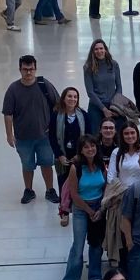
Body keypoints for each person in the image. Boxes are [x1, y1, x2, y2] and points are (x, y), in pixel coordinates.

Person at [3, 55, 61, 205]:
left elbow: (57, 104)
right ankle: (28, 190)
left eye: (31, 69)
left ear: (35, 69)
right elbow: (8, 114)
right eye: (25, 69)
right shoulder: (13, 89)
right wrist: (10, 135)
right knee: (27, 165)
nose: (28, 73)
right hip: (23, 138)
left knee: (47, 163)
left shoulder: (44, 84)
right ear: (20, 70)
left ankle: (50, 190)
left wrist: (56, 128)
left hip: (45, 136)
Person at [60, 135, 107, 280]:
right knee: (78, 245)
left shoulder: (101, 165)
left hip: (98, 207)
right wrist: (89, 210)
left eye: (92, 146)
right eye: (86, 147)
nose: (90, 149)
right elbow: (74, 194)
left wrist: (100, 209)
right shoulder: (76, 167)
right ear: (81, 150)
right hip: (81, 209)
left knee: (96, 243)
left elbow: (105, 187)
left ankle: (94, 274)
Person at [49, 87, 89, 216]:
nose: (72, 99)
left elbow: (88, 137)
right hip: (63, 157)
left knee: (80, 183)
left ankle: (79, 209)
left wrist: (81, 155)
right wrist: (59, 155)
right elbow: (52, 137)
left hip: (79, 157)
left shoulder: (83, 115)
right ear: (64, 98)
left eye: (75, 97)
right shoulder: (56, 115)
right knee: (63, 183)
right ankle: (64, 211)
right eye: (69, 96)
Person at [84, 39, 123, 133]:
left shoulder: (114, 64)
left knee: (118, 133)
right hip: (96, 106)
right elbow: (90, 92)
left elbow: (119, 86)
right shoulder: (88, 67)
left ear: (105, 49)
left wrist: (115, 105)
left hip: (113, 105)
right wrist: (104, 109)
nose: (99, 51)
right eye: (96, 49)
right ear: (93, 52)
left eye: (101, 48)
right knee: (95, 135)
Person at [107, 123, 140, 189]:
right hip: (122, 193)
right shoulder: (116, 152)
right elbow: (111, 176)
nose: (130, 136)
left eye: (132, 133)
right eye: (126, 133)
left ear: (137, 134)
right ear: (122, 136)